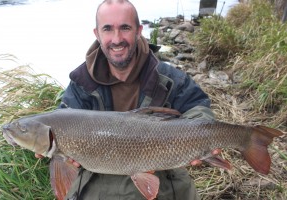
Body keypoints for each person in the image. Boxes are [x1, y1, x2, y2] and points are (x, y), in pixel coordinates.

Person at [37, 0, 215, 199]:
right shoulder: (81, 83)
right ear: (97, 34)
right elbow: (64, 119)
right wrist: (54, 152)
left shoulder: (169, 78)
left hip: (162, 177)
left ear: (138, 31)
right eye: (107, 29)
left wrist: (202, 138)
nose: (116, 39)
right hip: (96, 184)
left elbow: (198, 107)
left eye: (125, 28)